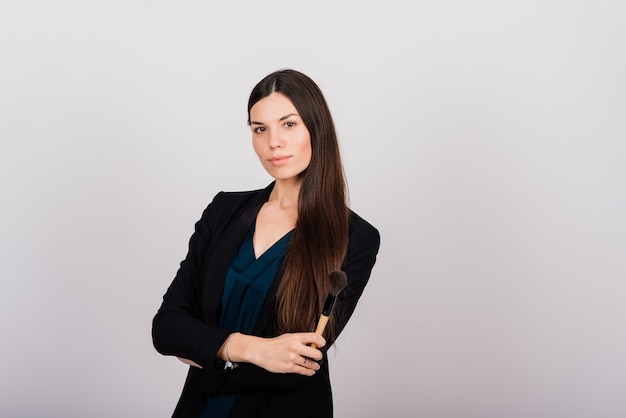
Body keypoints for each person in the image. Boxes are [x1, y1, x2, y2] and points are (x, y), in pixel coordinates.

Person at [152, 68, 380, 418]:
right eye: (260, 129)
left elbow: (297, 364)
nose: (273, 141)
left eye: (288, 124)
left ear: (316, 130)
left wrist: (205, 348)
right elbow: (166, 327)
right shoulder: (223, 210)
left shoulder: (356, 237)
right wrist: (251, 349)